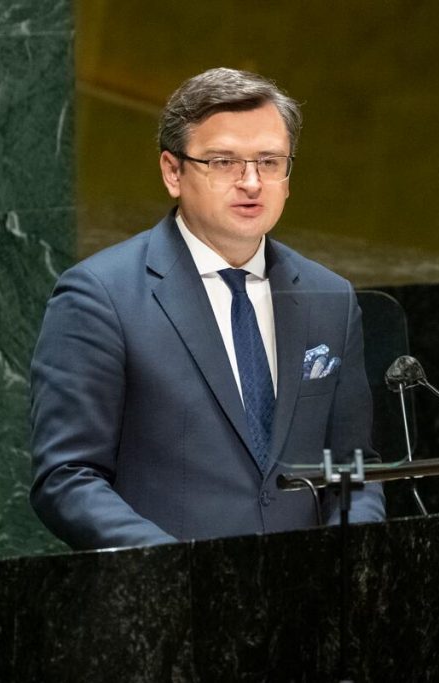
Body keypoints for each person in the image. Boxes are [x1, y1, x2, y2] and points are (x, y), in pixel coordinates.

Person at [29, 67, 385, 549]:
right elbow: (67, 477)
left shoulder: (331, 298)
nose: (251, 182)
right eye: (223, 162)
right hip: (170, 587)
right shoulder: (100, 296)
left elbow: (353, 469)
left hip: (308, 589)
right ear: (172, 172)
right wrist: (180, 569)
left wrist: (356, 558)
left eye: (269, 162)